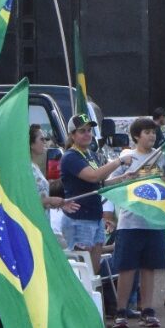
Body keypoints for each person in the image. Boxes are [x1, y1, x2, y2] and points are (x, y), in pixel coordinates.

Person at [109, 117, 165, 328]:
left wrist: (157, 177)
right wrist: (127, 176)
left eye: (153, 132)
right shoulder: (127, 157)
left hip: (154, 222)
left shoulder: (161, 157)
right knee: (126, 268)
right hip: (130, 221)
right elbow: (107, 182)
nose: (151, 136)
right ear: (136, 136)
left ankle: (147, 310)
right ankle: (121, 311)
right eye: (147, 132)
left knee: (149, 268)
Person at [60, 113, 130, 273]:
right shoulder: (70, 157)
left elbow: (99, 183)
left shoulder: (90, 155)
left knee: (94, 270)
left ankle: (96, 297)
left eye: (89, 130)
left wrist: (122, 178)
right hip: (79, 219)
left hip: (94, 217)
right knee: (85, 271)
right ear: (72, 135)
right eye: (82, 131)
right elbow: (93, 176)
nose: (87, 134)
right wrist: (119, 160)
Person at [29, 124, 79, 216]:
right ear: (32, 144)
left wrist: (59, 204)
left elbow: (41, 198)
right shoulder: (27, 169)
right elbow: (26, 200)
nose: (45, 142)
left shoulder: (34, 167)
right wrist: (50, 200)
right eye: (41, 139)